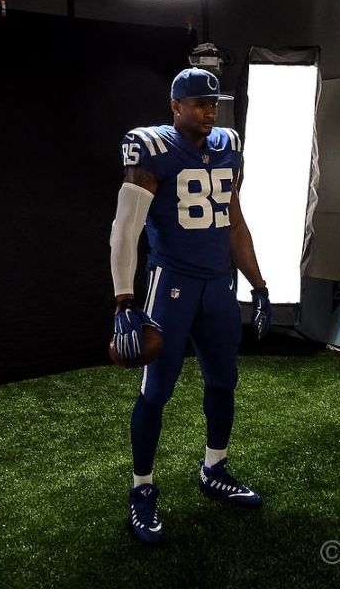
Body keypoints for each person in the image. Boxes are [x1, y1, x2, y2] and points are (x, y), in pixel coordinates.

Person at [107, 67, 273, 544]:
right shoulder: (151, 147)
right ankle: (142, 488)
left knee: (224, 381)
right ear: (175, 106)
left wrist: (258, 285)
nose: (208, 110)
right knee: (156, 391)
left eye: (213, 103)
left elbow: (235, 222)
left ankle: (215, 467)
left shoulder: (227, 144)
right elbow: (125, 229)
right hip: (171, 283)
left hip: (218, 285)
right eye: (198, 103)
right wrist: (123, 299)